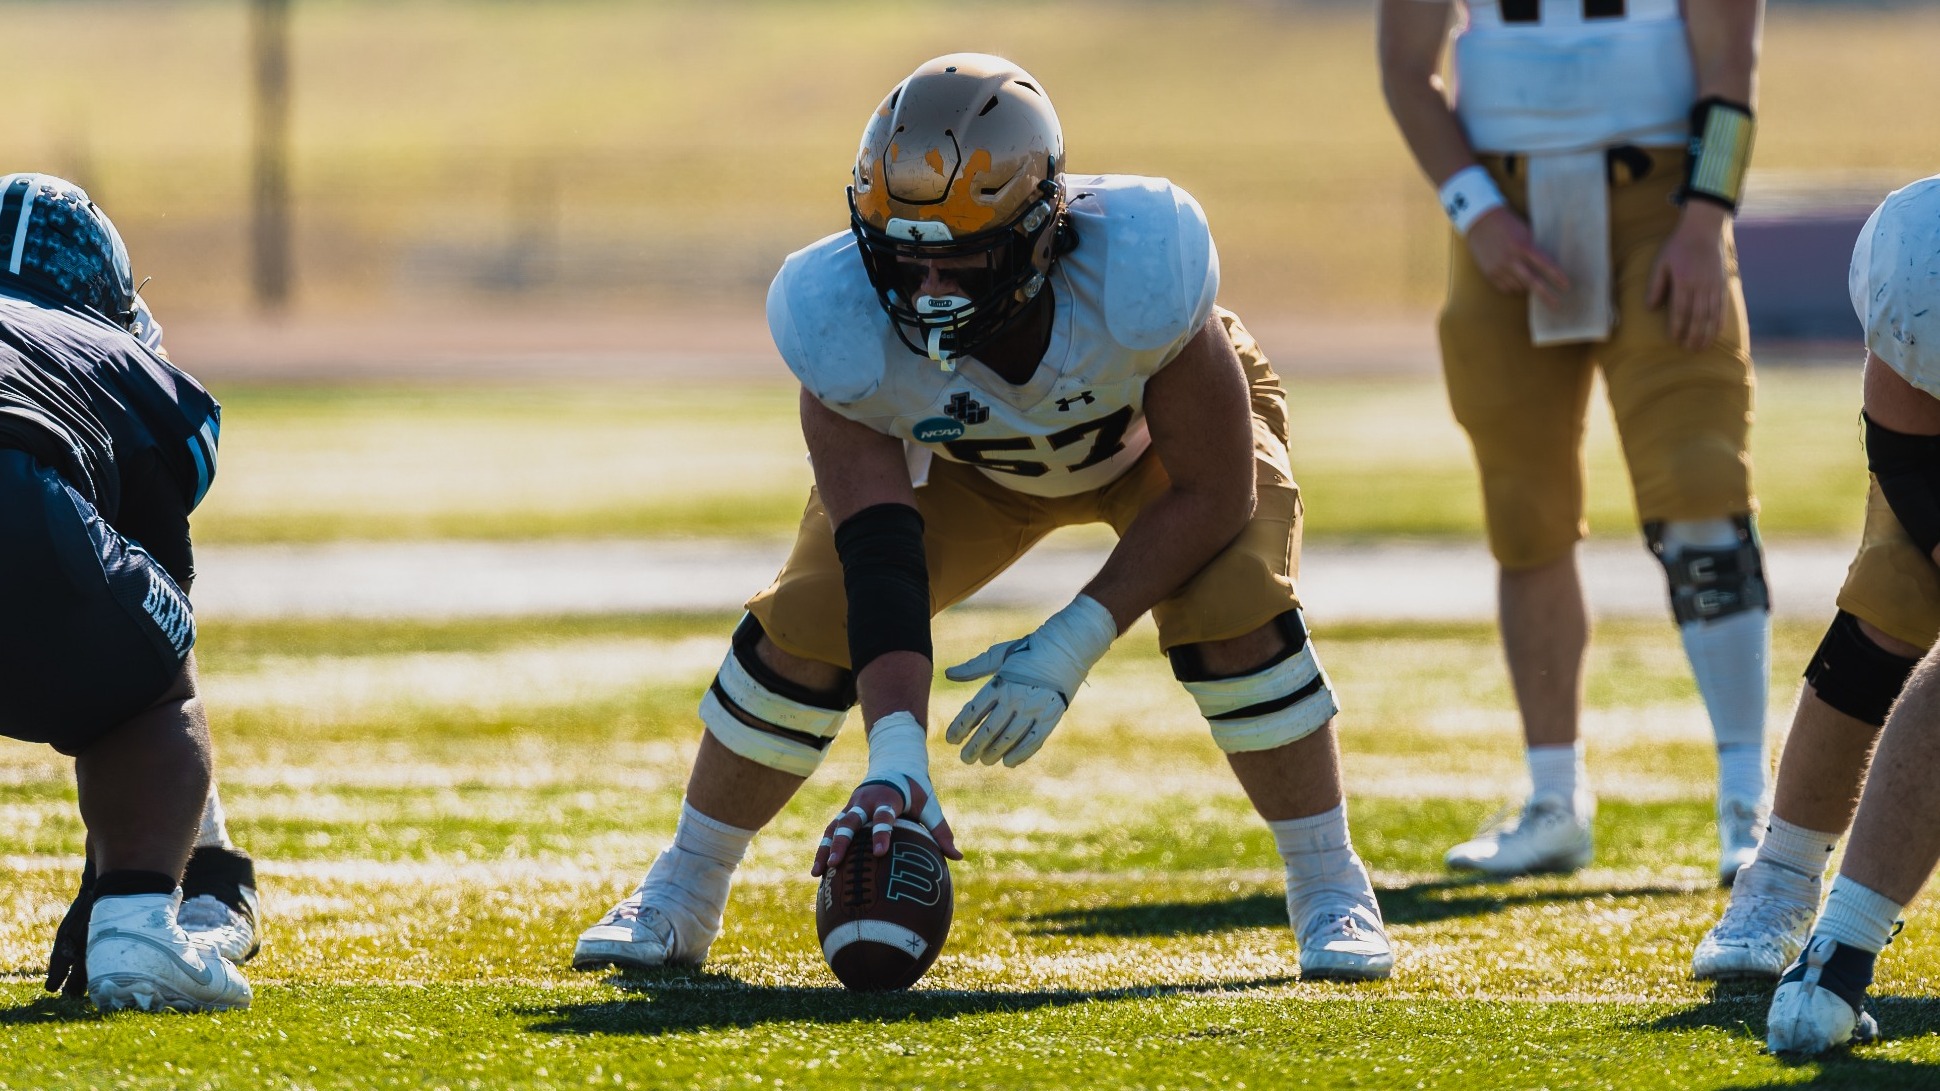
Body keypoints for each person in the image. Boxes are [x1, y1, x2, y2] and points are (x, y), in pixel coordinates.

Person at [572, 53, 1394, 982]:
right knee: (810, 613)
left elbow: (1214, 493)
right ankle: (682, 889)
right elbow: (878, 553)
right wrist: (897, 756)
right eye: (905, 257)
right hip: (973, 465)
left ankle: (1332, 885)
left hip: (1151, 453)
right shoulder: (834, 317)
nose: (928, 290)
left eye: (961, 258)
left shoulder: (1143, 273)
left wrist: (1072, 641)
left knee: (1233, 594)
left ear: (1044, 230)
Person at [1379, 0, 1771, 882]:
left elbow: (1731, 62)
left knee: (1702, 483)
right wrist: (1476, 210)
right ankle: (1554, 798)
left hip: (1663, 202)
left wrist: (1708, 217)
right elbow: (1406, 66)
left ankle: (1750, 798)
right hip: (1506, 202)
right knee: (1525, 512)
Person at [0, 172, 252, 1012]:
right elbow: (150, 640)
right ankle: (138, 929)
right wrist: (117, 873)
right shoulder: (121, 360)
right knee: (151, 687)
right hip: (19, 485)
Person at [1701, 176, 1940, 1053]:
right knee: (1890, 596)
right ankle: (1783, 885)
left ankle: (1833, 941)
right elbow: (1913, 466)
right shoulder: (1917, 267)